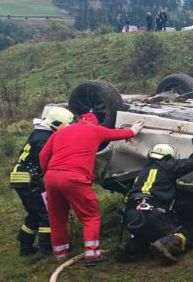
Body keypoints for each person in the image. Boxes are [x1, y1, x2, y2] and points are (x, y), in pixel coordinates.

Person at [39, 112, 145, 266]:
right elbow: (119, 134)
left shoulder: (59, 132)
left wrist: (47, 174)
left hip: (51, 177)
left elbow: (43, 155)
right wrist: (134, 129)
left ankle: (60, 254)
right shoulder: (94, 130)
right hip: (75, 178)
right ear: (94, 123)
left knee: (57, 218)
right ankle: (93, 254)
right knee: (90, 216)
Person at [119, 135, 193, 263]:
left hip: (130, 214)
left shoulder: (143, 171)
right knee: (183, 234)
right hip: (152, 213)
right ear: (168, 156)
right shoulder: (169, 166)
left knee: (146, 236)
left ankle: (128, 247)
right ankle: (166, 245)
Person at [9, 106, 74, 257]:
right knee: (47, 214)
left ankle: (25, 245)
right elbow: (45, 161)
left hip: (22, 178)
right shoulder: (43, 140)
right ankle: (46, 249)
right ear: (58, 124)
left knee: (34, 213)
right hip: (29, 180)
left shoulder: (40, 133)